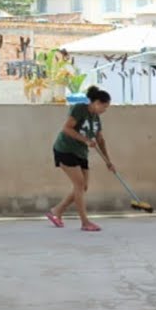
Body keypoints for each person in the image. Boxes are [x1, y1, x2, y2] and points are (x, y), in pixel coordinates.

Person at [46, 87, 115, 233]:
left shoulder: (96, 118)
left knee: (83, 187)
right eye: (105, 106)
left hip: (80, 153)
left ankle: (56, 211)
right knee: (79, 184)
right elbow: (67, 129)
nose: (105, 110)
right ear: (96, 102)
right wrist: (85, 140)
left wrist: (108, 161)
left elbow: (100, 140)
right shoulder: (79, 109)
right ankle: (85, 222)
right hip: (65, 149)